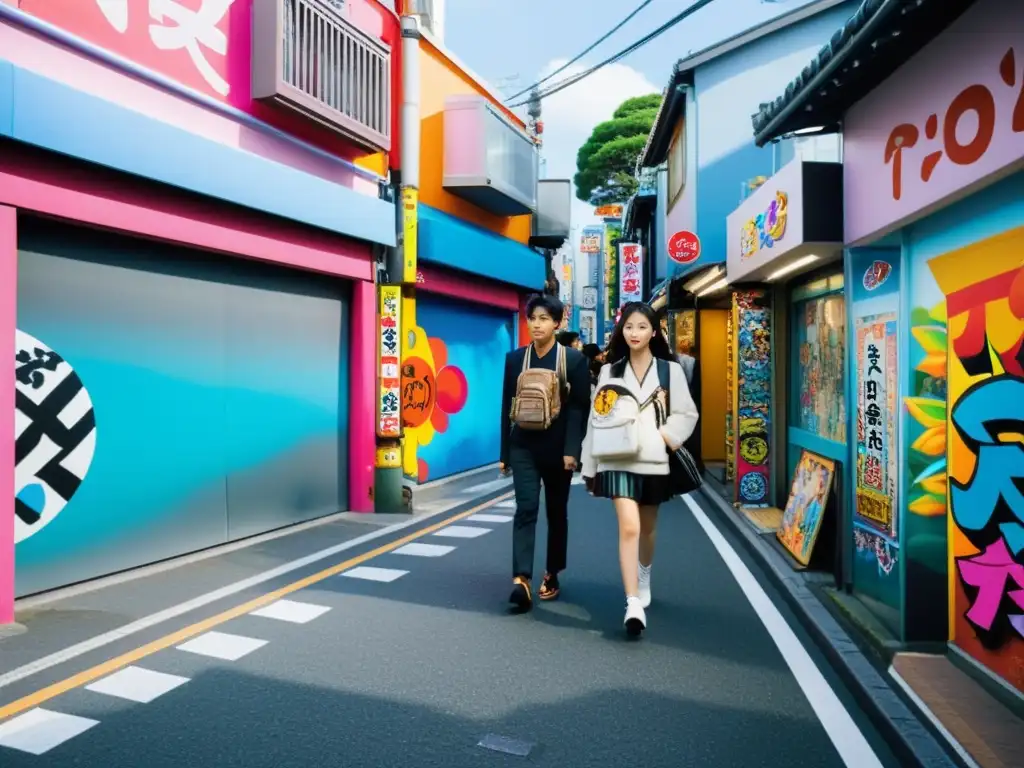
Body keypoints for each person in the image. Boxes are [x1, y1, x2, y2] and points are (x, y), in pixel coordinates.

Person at [580, 302, 699, 636]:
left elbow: (687, 414)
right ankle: (632, 601)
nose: (634, 333)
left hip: (654, 459)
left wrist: (665, 437)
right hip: (617, 457)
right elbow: (596, 419)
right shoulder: (609, 372)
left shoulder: (670, 370)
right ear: (622, 331)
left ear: (654, 332)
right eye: (629, 327)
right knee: (629, 527)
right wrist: (590, 465)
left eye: (642, 327)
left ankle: (644, 572)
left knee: (647, 527)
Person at [499, 294, 590, 612]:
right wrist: (504, 453)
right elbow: (506, 407)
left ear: (557, 323)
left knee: (556, 512)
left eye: (543, 319)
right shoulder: (514, 360)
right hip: (523, 444)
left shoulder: (573, 361)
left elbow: (579, 408)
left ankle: (552, 572)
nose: (536, 325)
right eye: (532, 318)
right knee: (525, 508)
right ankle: (521, 579)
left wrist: (572, 451)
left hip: (557, 449)